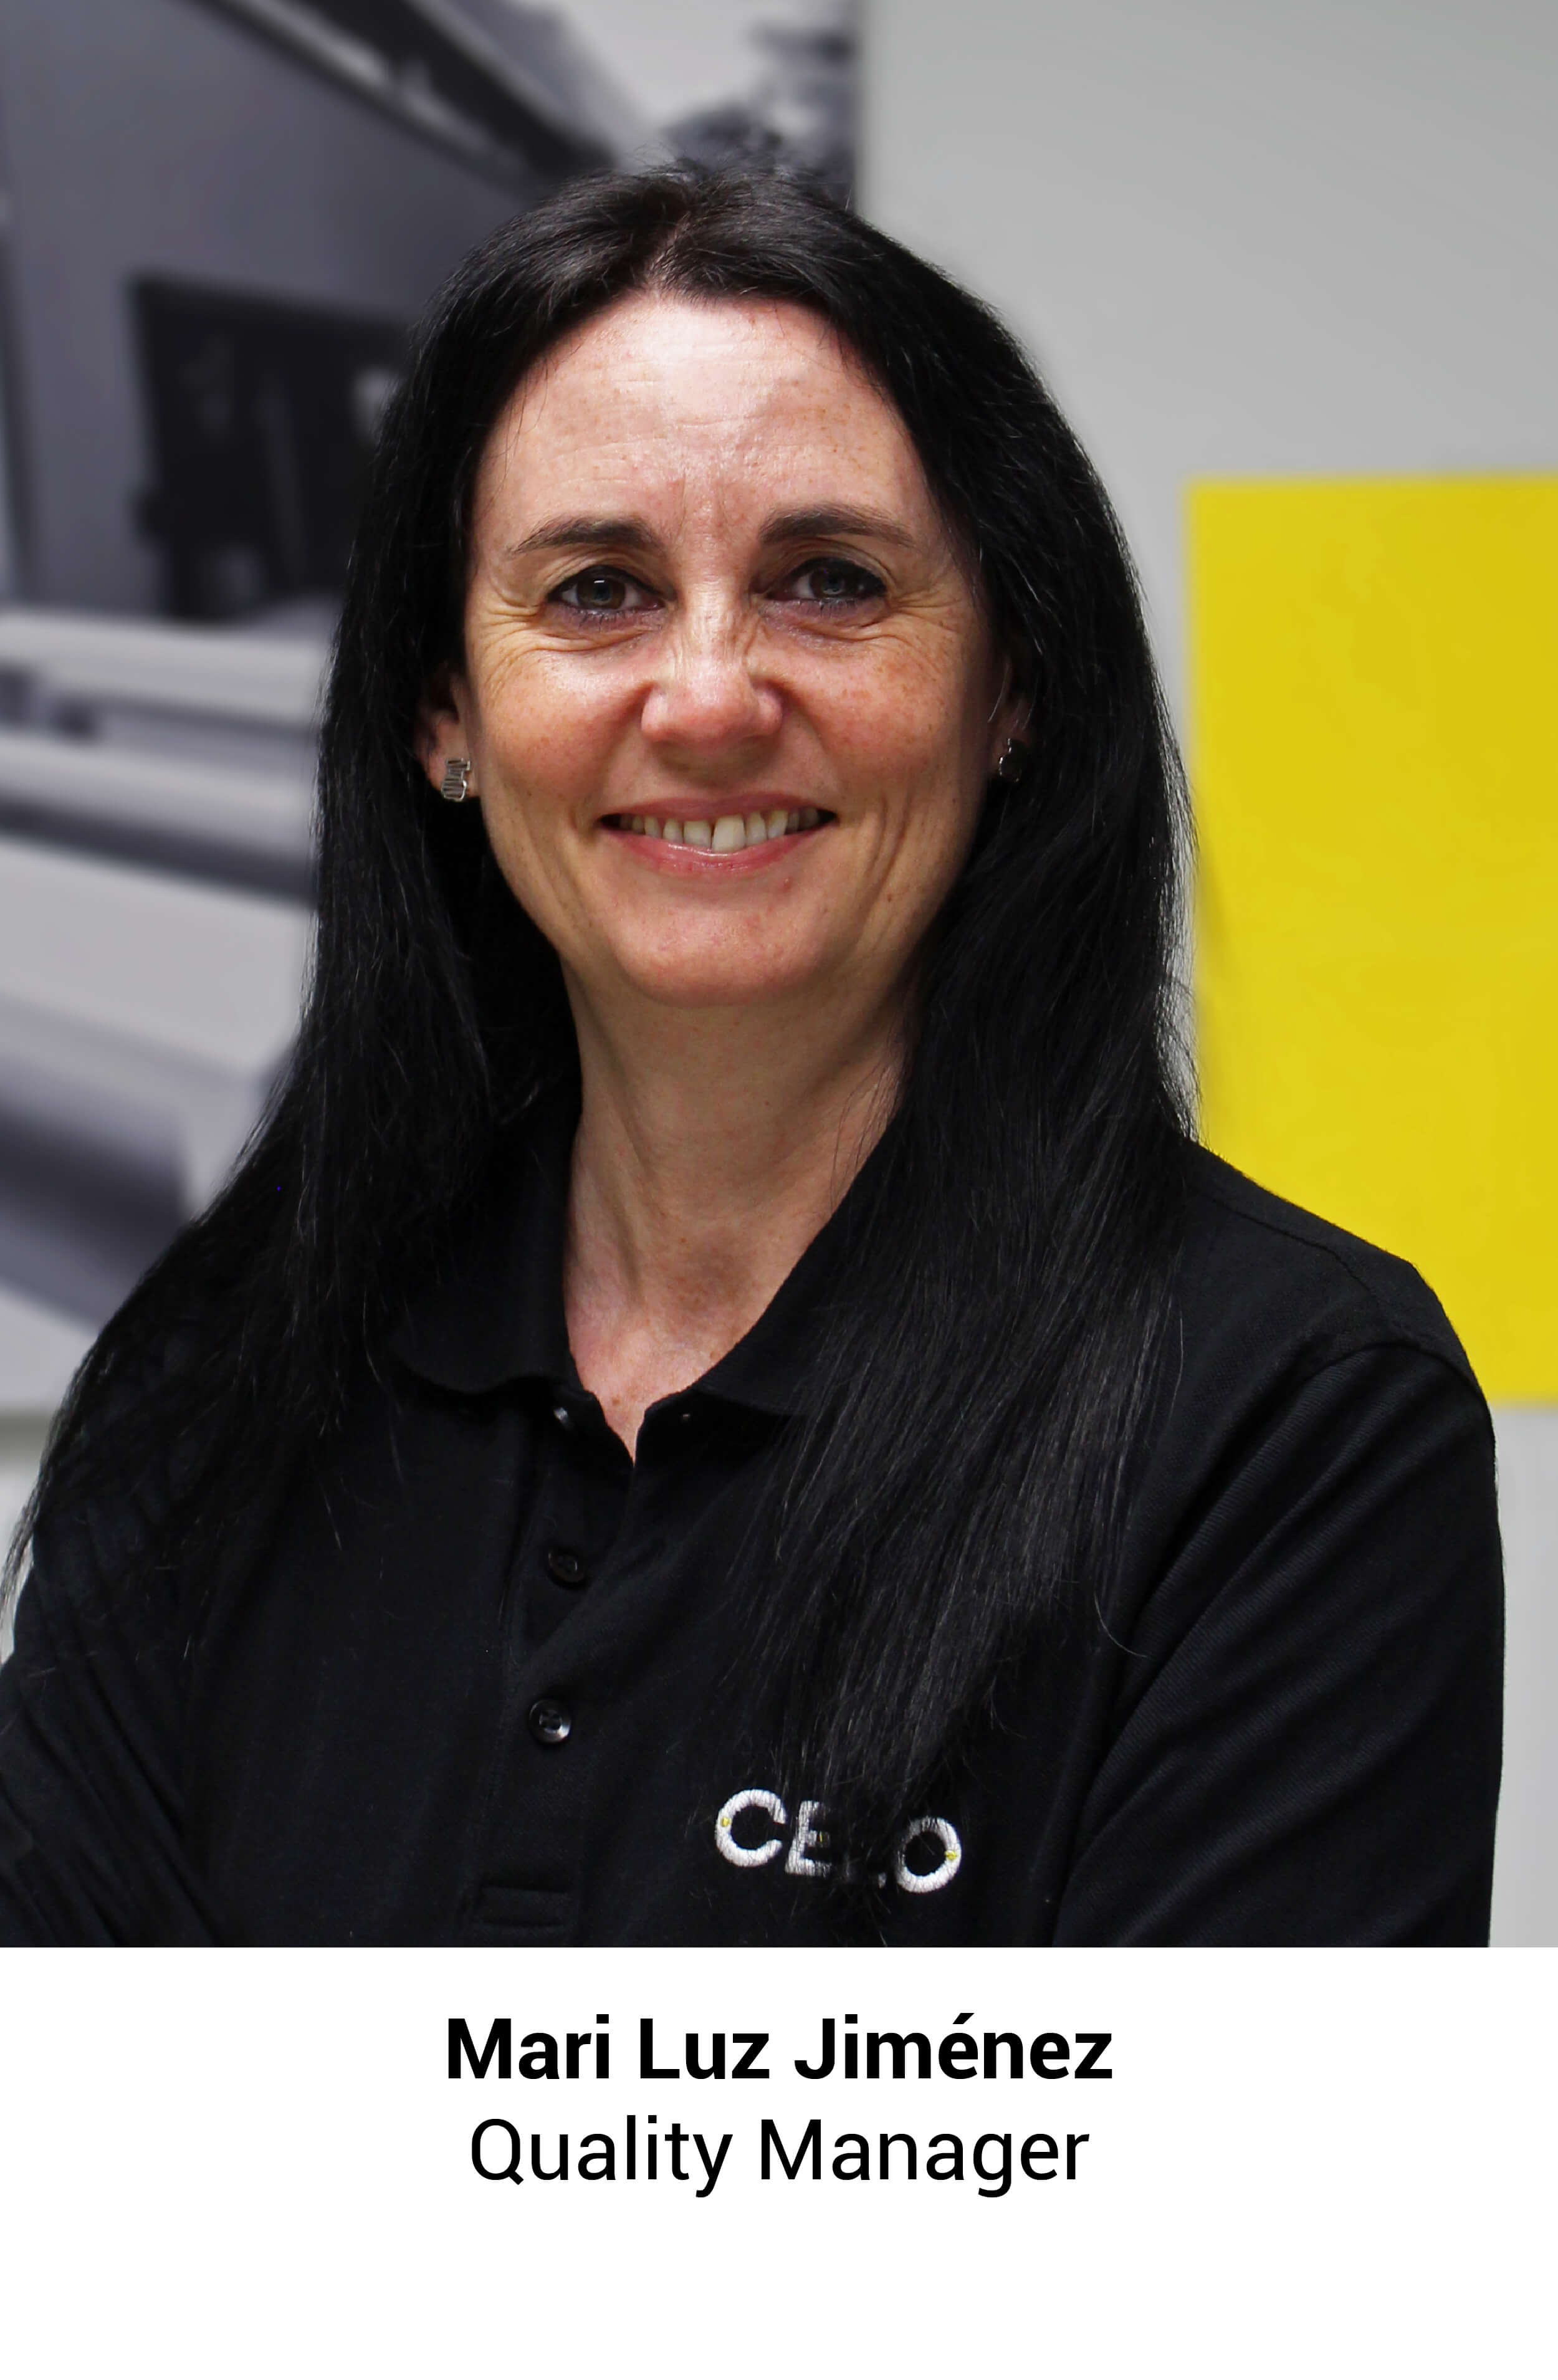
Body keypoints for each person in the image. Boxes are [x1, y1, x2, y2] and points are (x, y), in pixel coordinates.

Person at [0, 170, 1501, 1946]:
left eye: (829, 582)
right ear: (443, 712)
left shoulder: (1290, 1422)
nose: (709, 699)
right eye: (598, 591)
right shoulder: (215, 1385)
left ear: (1012, 684)